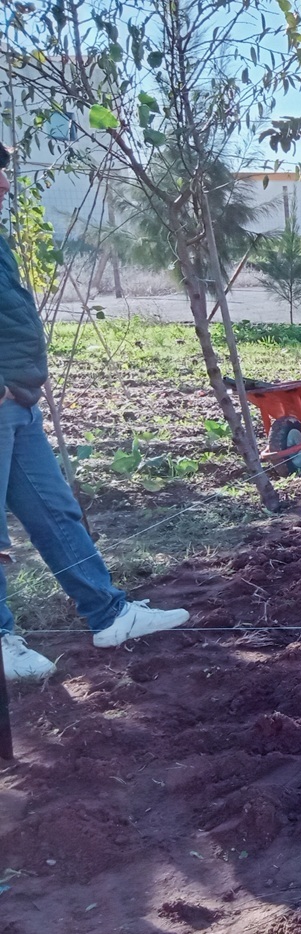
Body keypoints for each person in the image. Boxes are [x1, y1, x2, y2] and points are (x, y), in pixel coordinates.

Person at [0, 143, 189, 681]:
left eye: (3, 172)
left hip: (18, 401)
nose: (4, 183)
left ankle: (109, 615)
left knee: (55, 511)